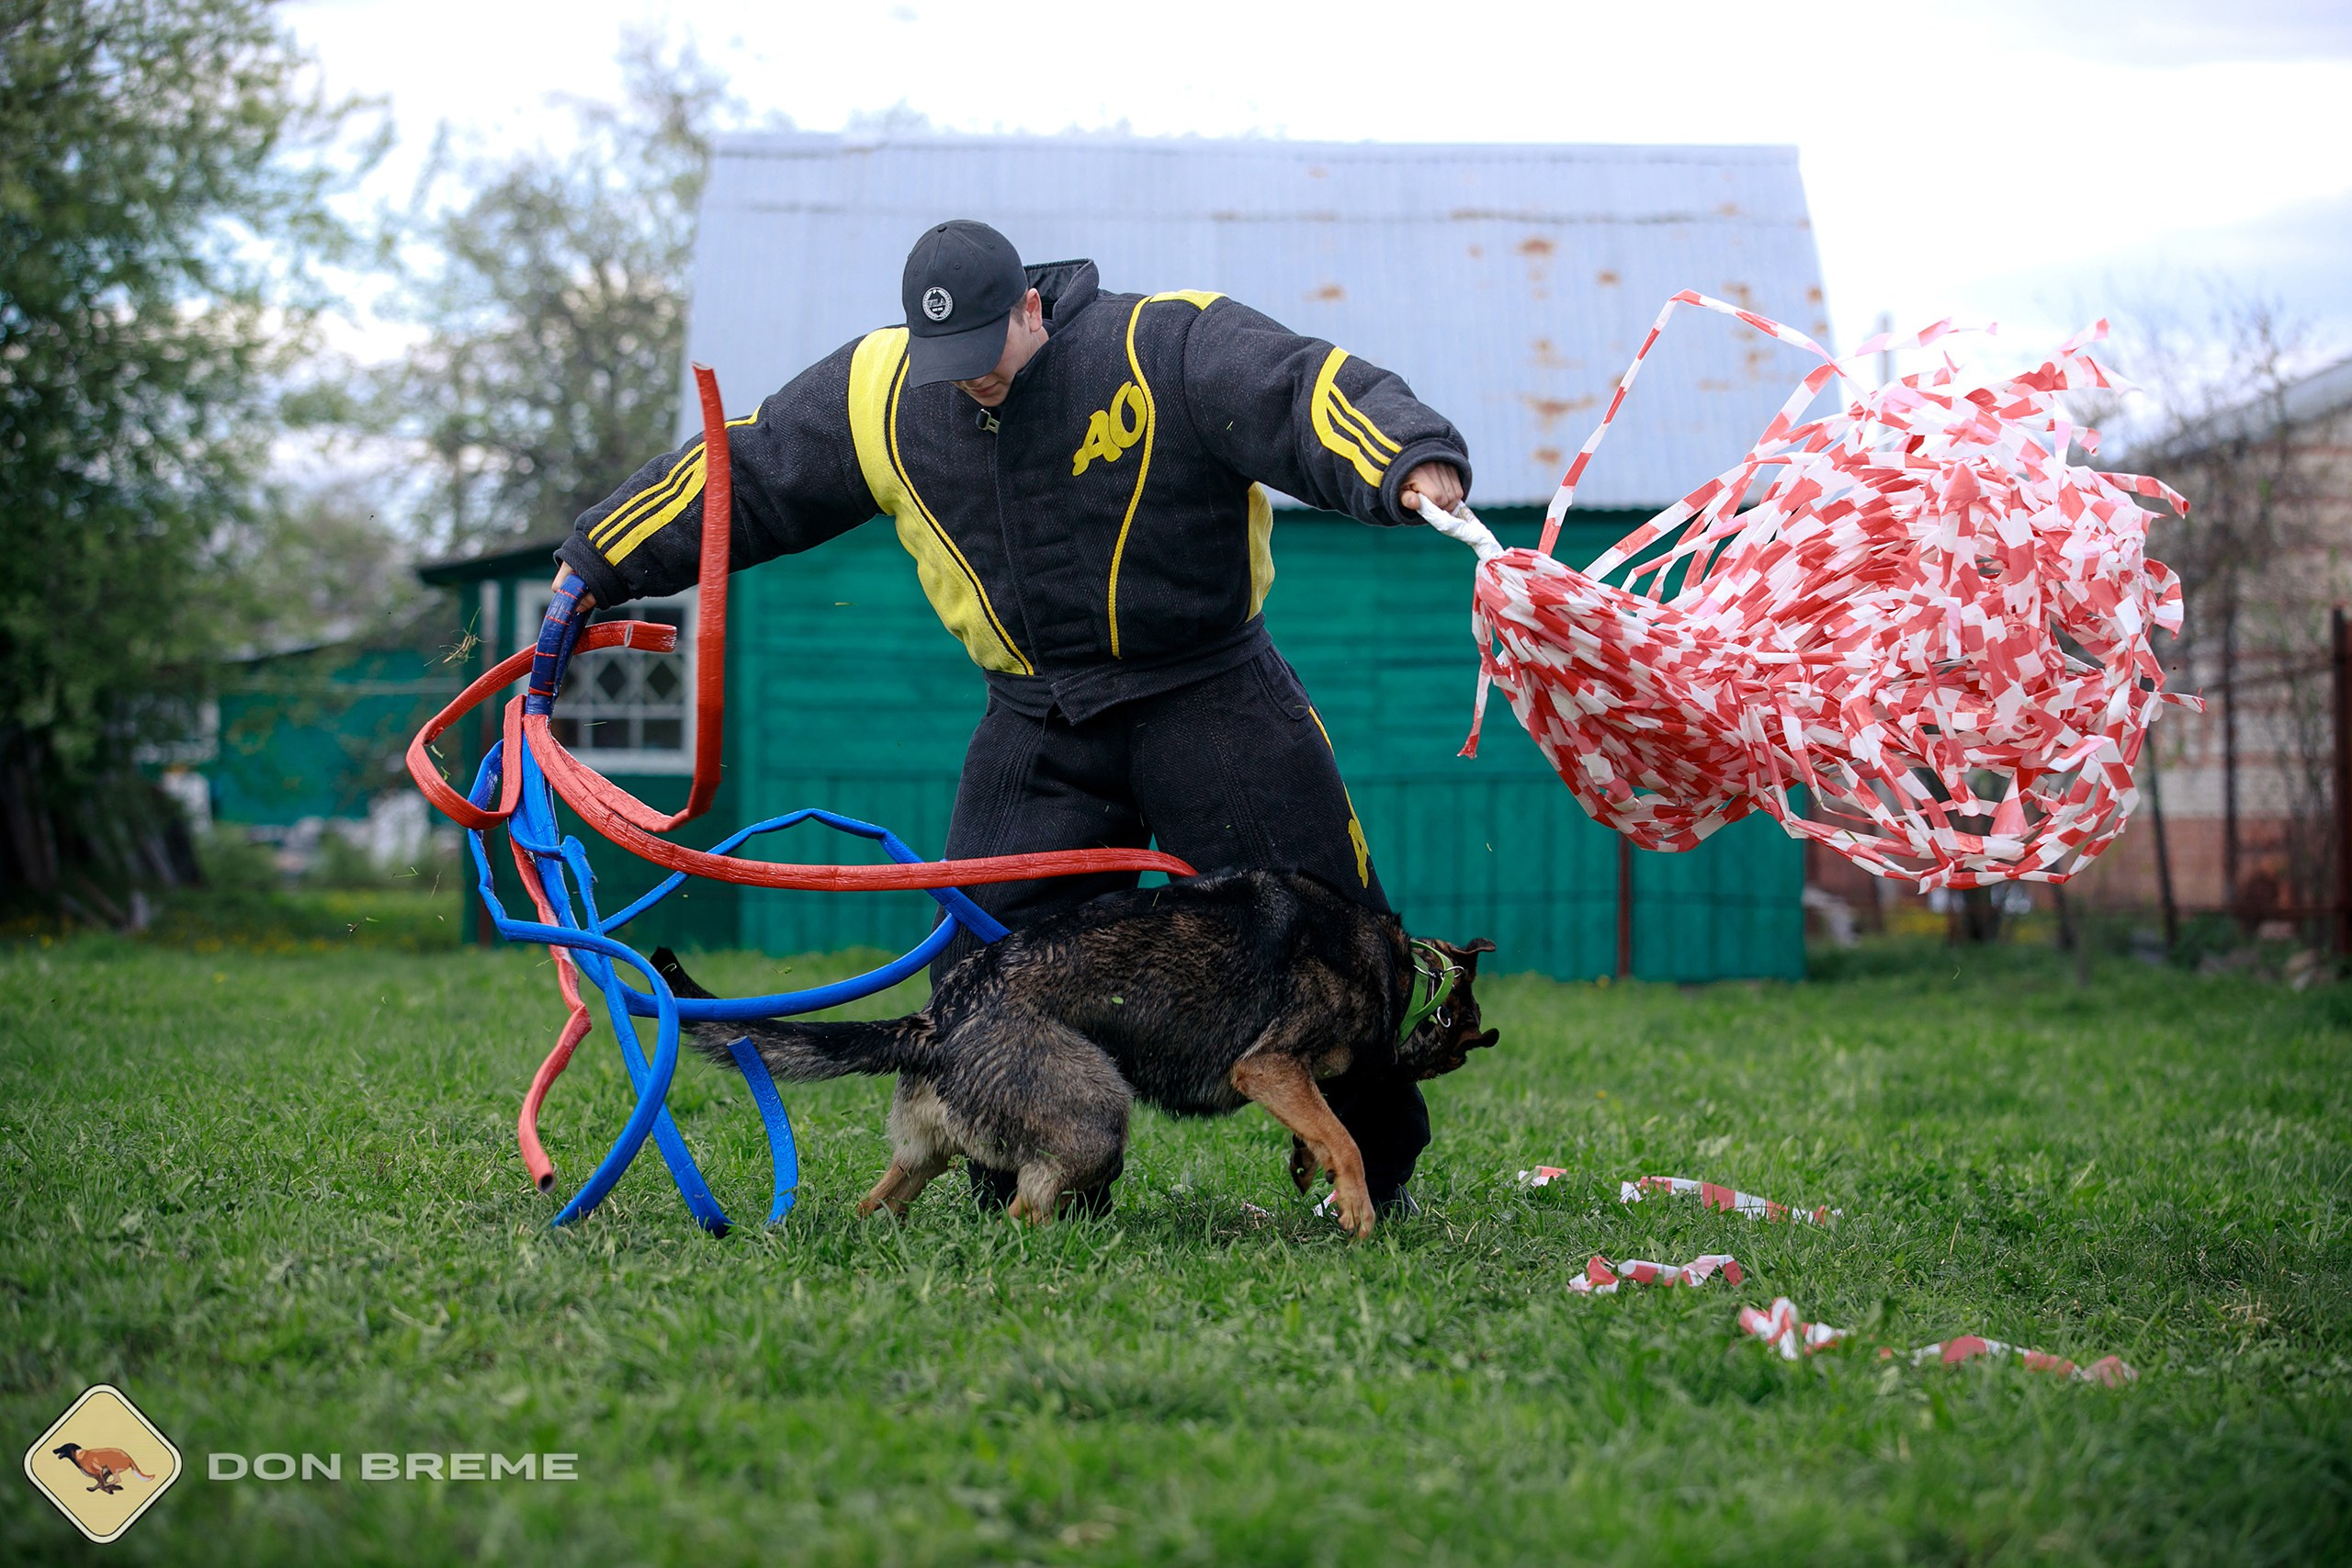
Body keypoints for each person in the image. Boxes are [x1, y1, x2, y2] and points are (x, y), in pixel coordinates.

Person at [550, 220, 1471, 1216]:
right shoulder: (875, 392)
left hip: (1211, 692)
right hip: (1037, 717)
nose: (969, 381)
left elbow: (1301, 388)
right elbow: (749, 471)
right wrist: (598, 559)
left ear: (1031, 307)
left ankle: (1379, 1176)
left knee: (1344, 948)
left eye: (984, 355)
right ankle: (1029, 1189)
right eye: (944, 364)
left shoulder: (1163, 343)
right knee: (980, 971)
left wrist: (1406, 459)